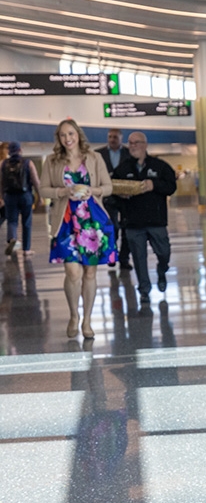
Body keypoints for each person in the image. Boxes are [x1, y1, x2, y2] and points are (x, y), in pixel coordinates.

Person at [40, 119, 117, 339]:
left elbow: (109, 187)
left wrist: (92, 190)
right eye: (63, 135)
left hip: (92, 220)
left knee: (90, 272)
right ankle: (74, 315)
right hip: (65, 221)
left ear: (78, 134)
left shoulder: (94, 158)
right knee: (72, 272)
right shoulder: (53, 161)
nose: (68, 139)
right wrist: (62, 192)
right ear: (59, 138)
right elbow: (44, 189)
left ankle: (88, 320)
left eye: (71, 134)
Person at [112, 132, 177, 305]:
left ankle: (162, 270)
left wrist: (154, 185)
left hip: (156, 221)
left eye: (137, 143)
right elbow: (111, 192)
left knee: (164, 253)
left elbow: (171, 186)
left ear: (145, 145)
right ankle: (144, 290)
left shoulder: (160, 166)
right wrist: (121, 198)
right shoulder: (123, 169)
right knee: (139, 258)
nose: (133, 146)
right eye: (130, 143)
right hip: (133, 223)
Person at [97, 128, 133, 269]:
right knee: (111, 227)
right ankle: (111, 255)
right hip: (107, 198)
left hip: (126, 197)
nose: (112, 139)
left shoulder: (128, 154)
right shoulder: (98, 154)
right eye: (110, 137)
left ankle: (124, 258)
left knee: (127, 229)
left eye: (115, 137)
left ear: (121, 138)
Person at [1, 141, 41, 257]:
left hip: (9, 196)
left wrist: (1, 197)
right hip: (25, 196)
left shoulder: (3, 164)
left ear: (9, 151)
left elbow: (0, 182)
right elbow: (36, 181)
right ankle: (26, 249)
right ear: (20, 150)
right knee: (26, 222)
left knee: (12, 221)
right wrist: (40, 197)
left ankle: (12, 238)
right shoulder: (28, 163)